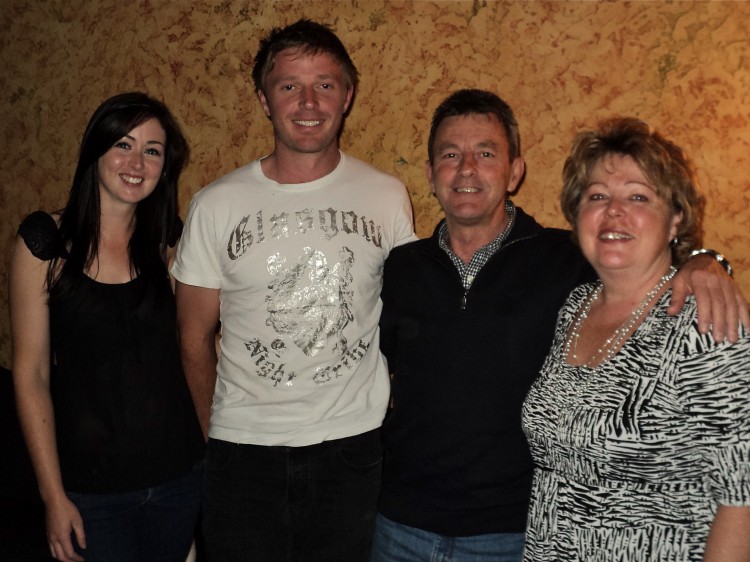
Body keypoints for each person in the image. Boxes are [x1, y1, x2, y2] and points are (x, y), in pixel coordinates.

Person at [372, 90, 748, 562]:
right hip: (405, 526)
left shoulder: (565, 261)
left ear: (515, 172)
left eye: (486, 153)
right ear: (429, 174)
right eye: (450, 155)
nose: (466, 168)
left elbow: (739, 488)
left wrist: (703, 261)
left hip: (508, 535)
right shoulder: (399, 268)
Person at [171, 19, 416, 562]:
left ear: (347, 96)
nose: (309, 101)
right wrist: (219, 439)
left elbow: (407, 319)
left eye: (325, 84)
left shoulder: (387, 196)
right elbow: (192, 336)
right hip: (242, 452)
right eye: (289, 85)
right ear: (263, 98)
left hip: (353, 449)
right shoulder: (217, 204)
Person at [522, 117, 750, 561]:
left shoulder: (705, 320)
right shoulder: (575, 306)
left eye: (638, 196)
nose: (613, 211)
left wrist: (707, 261)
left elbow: (743, 493)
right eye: (598, 196)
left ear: (675, 220)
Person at [9, 92, 205, 562]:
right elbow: (31, 375)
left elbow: (196, 345)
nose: (136, 162)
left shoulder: (170, 243)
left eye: (152, 150)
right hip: (90, 492)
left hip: (178, 478)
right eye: (123, 144)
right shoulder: (45, 243)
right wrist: (53, 496)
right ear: (95, 150)